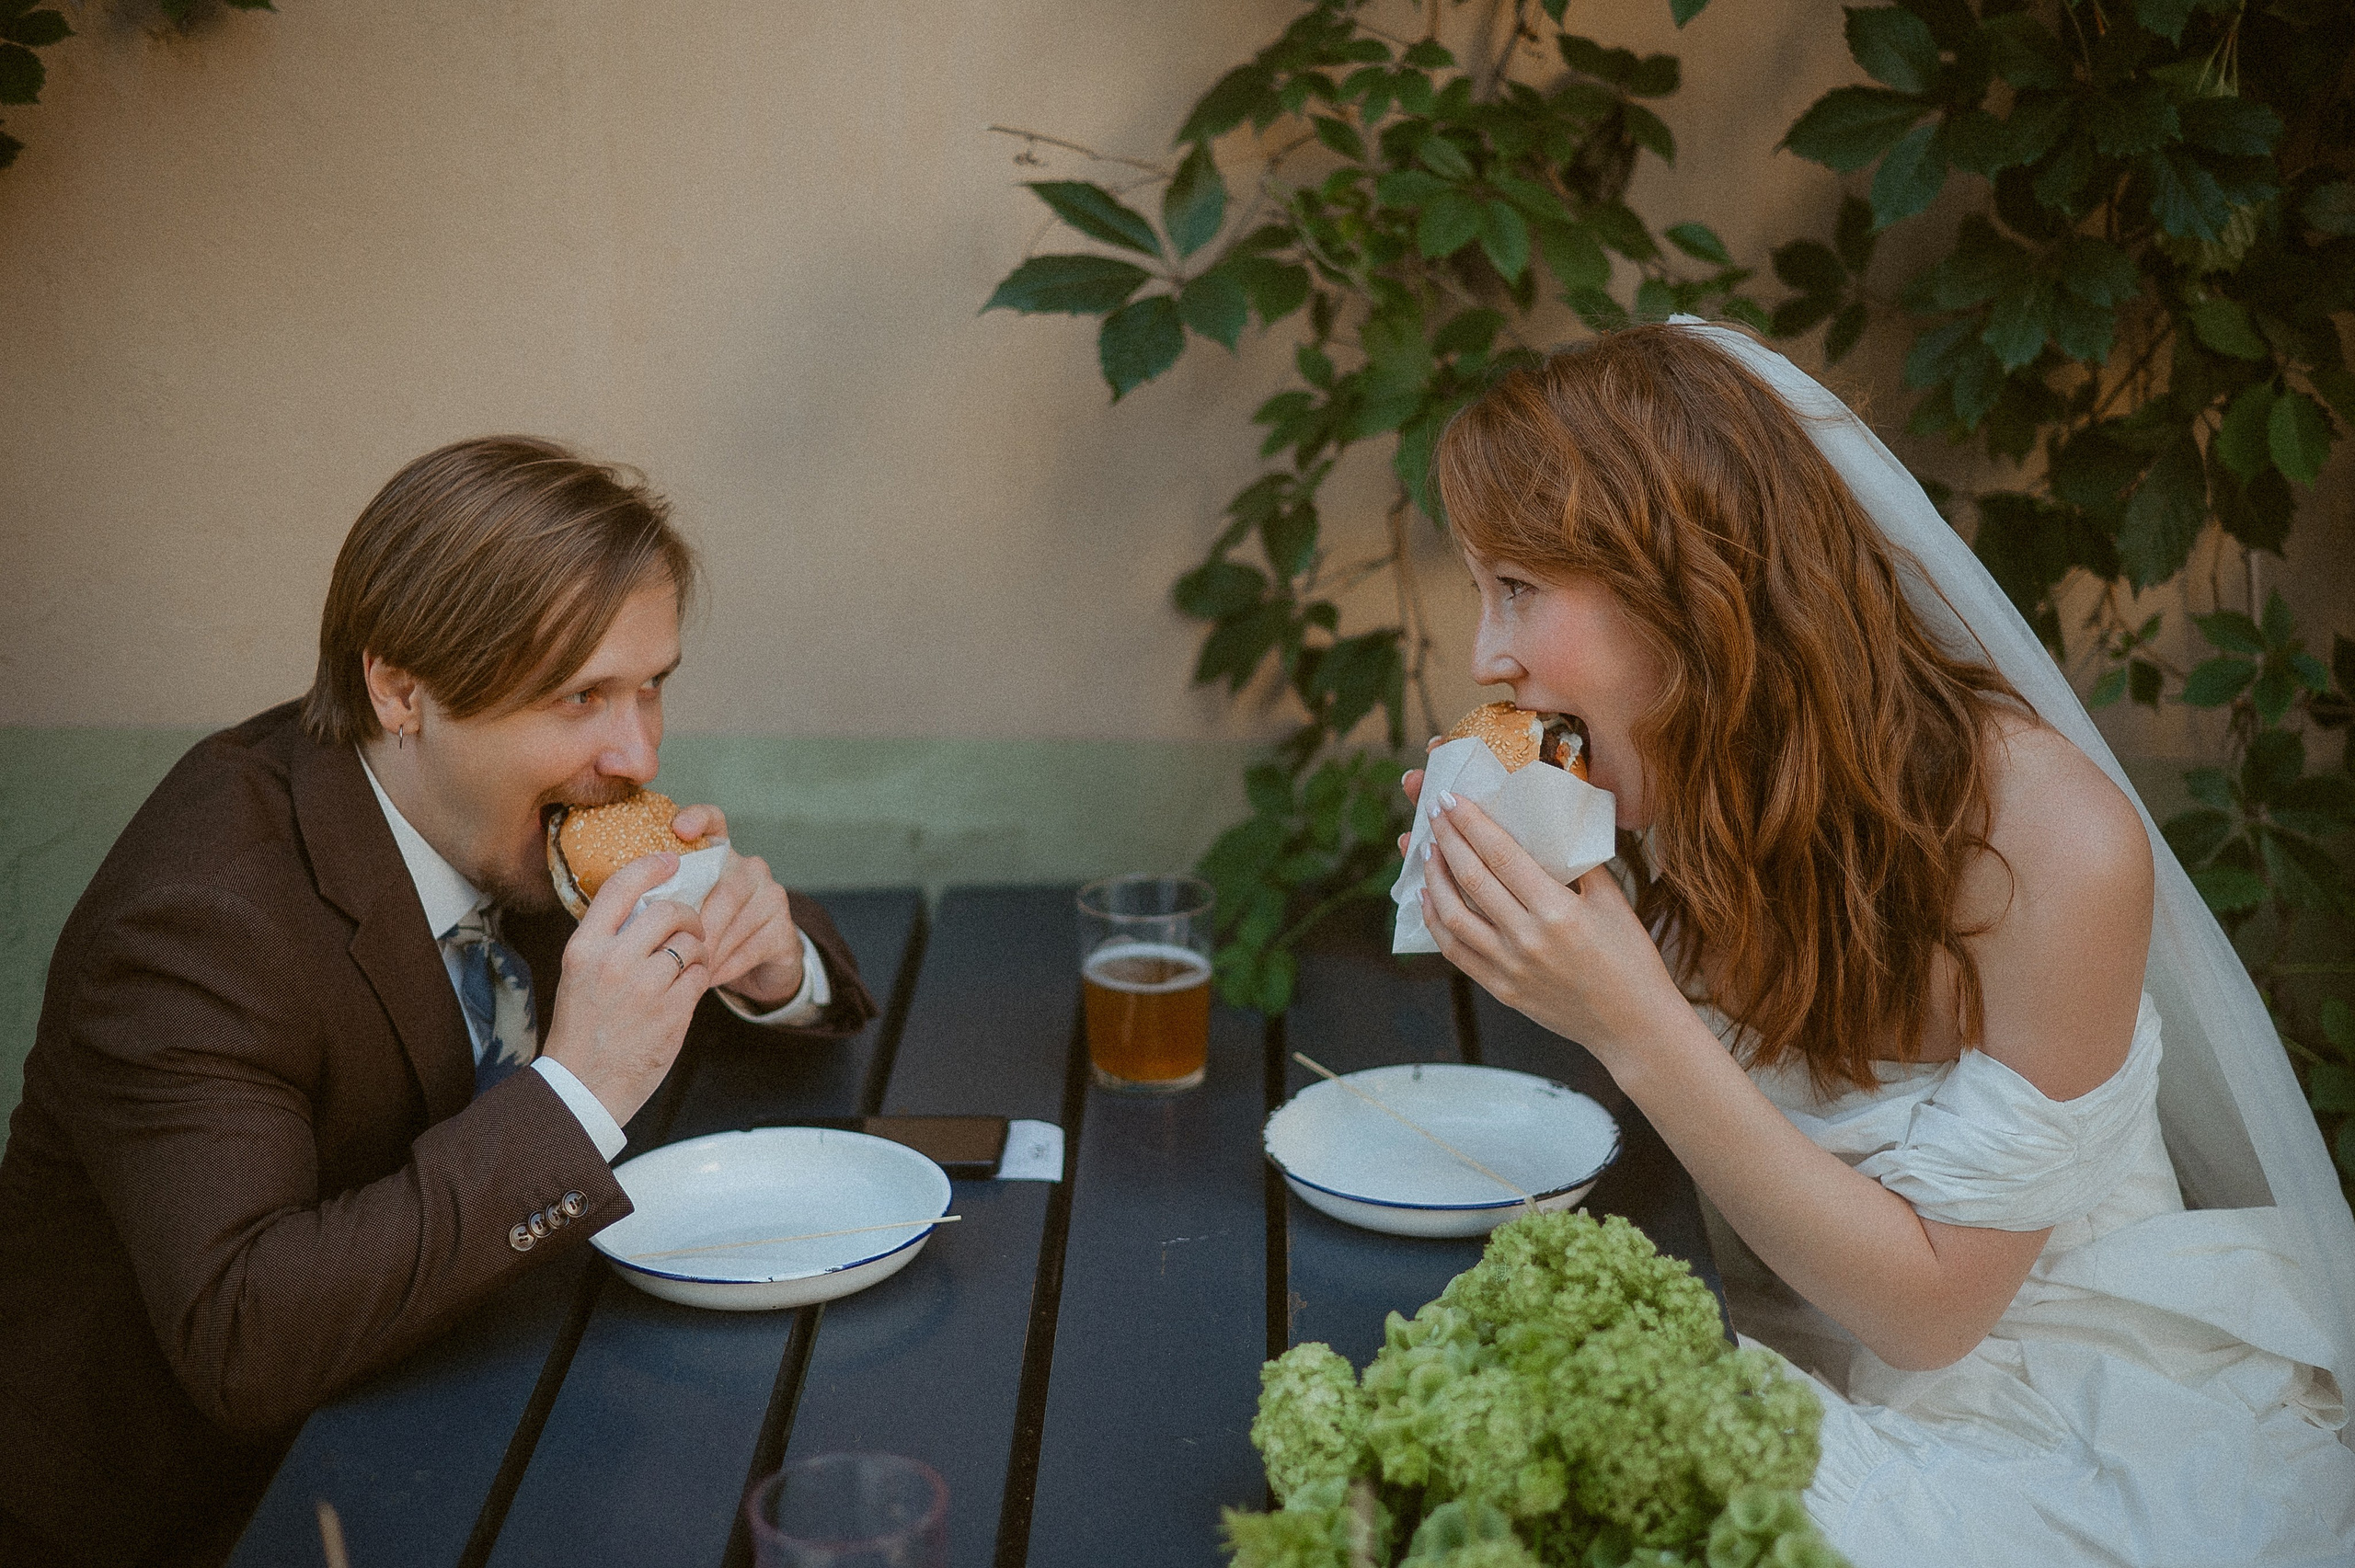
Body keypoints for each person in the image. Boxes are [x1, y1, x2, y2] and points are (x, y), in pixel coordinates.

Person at [1405, 320, 2355, 1564]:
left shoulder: (2056, 845)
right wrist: (1510, 903)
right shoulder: (1675, 786)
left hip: (2050, 1390)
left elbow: (1934, 1315)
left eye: (1518, 590)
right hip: (1765, 1318)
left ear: (1689, 584)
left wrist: (1628, 1016)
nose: (1487, 655)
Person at [0, 437, 879, 1567]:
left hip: (475, 1392)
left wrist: (770, 964)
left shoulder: (500, 807)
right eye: (579, 695)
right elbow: (242, 1336)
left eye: (652, 684)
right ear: (400, 689)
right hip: (208, 1514)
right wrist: (581, 1090)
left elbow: (781, 963)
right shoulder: (198, 924)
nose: (636, 751)